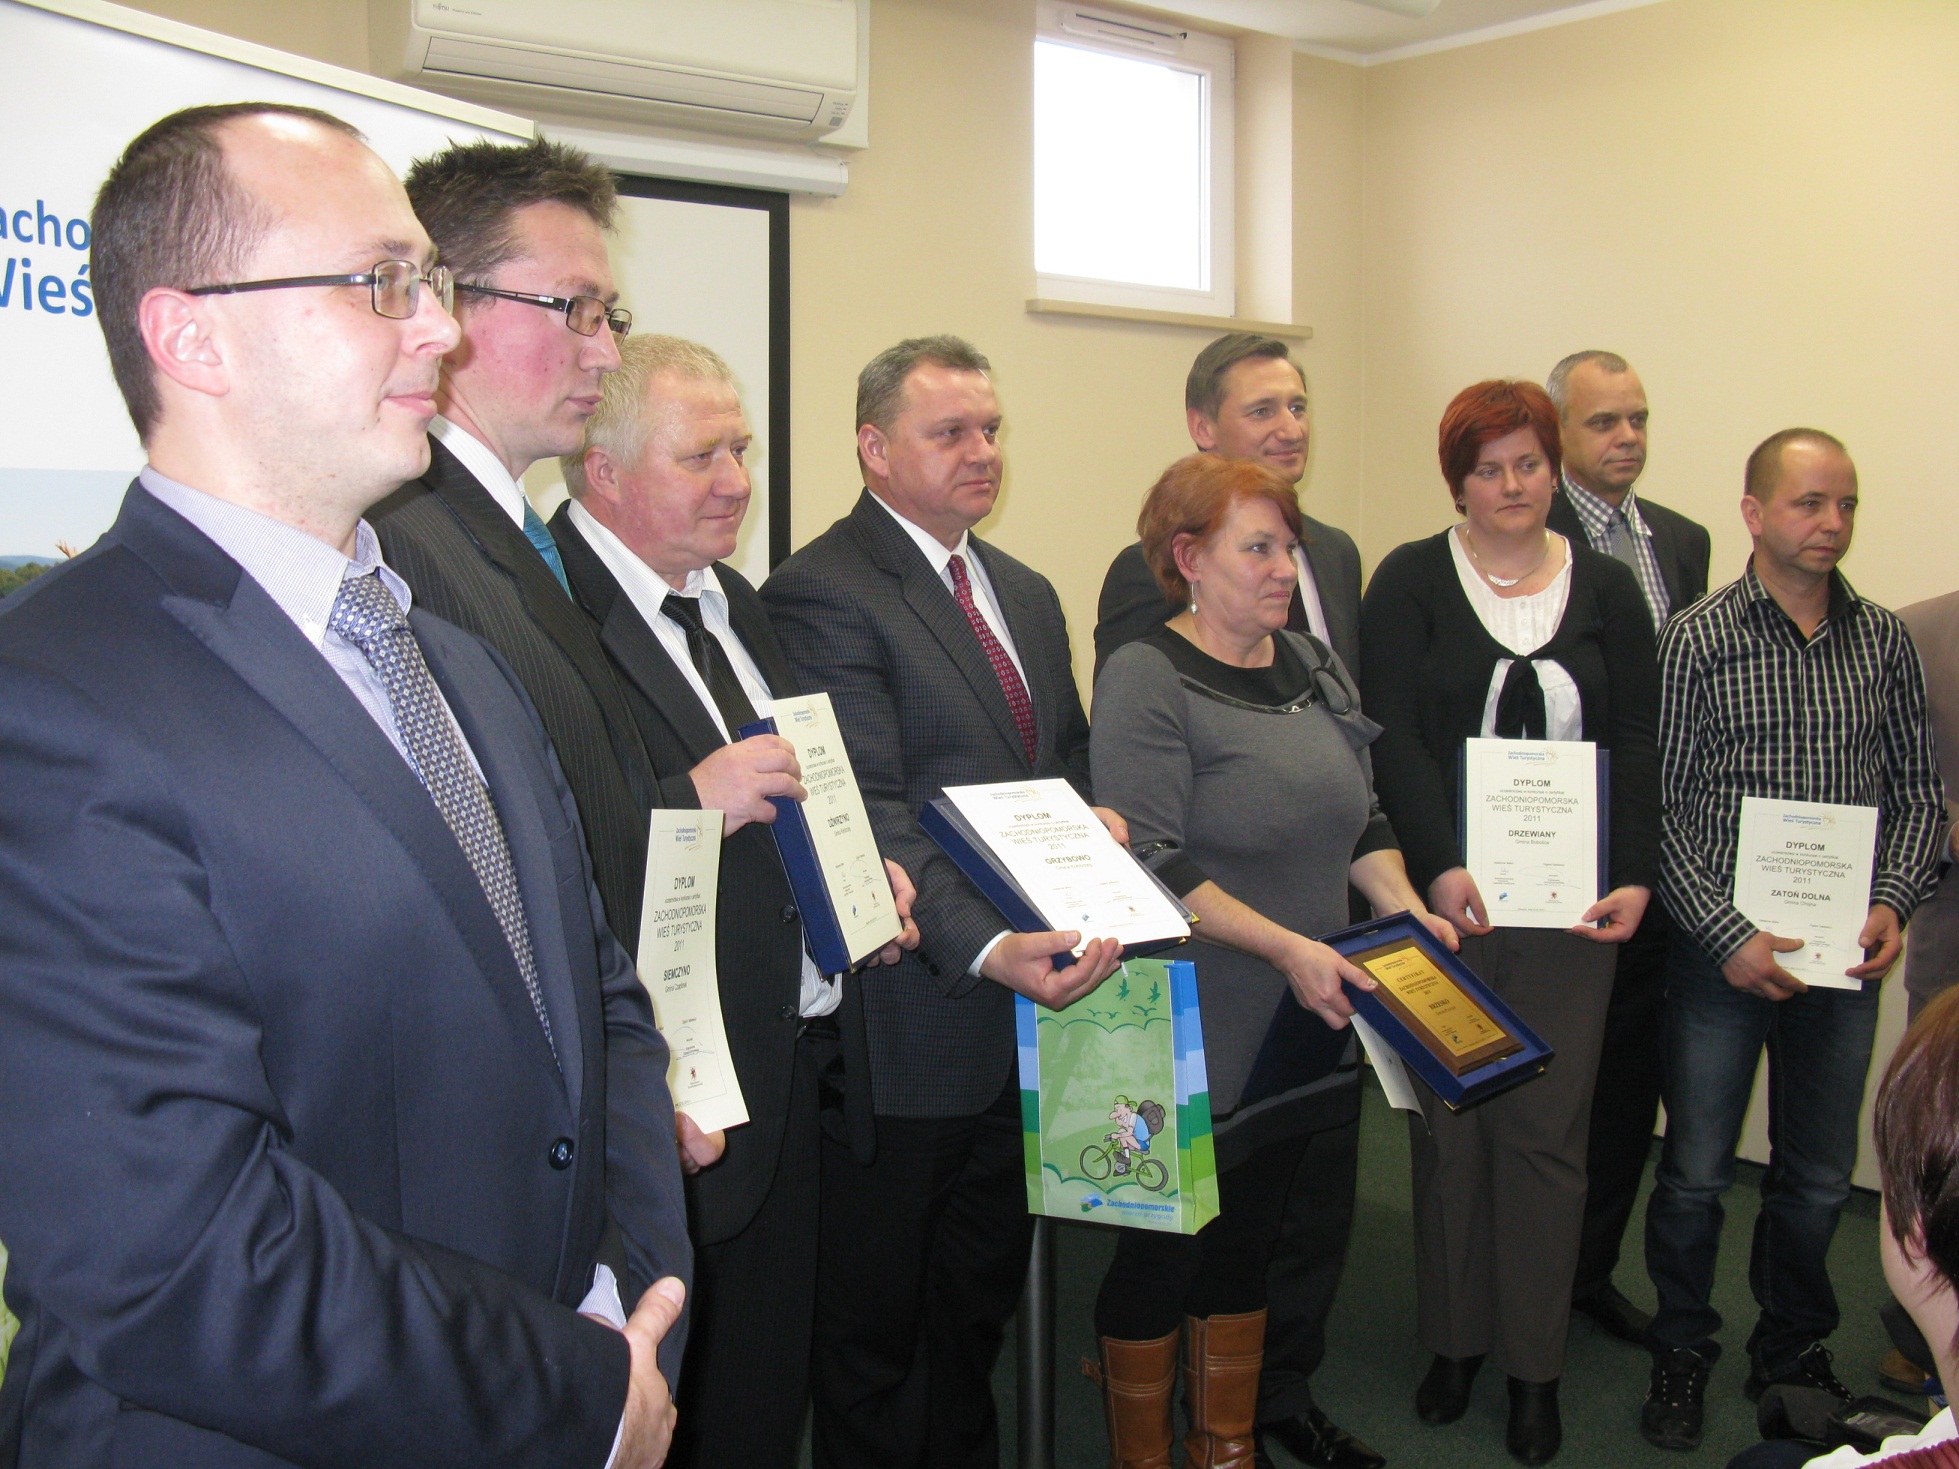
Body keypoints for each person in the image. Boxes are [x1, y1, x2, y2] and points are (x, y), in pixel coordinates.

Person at [0, 103, 690, 1468]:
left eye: (429, 281)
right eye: (383, 282)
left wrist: (632, 1309)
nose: (437, 328)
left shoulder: (454, 661)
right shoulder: (52, 698)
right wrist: (571, 1391)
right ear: (192, 337)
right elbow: (179, 1253)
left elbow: (599, 1007)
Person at [551, 334, 919, 1468]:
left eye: (742, 450)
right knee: (679, 1416)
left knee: (765, 1398)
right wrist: (685, 802)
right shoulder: (549, 615)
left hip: (794, 1064)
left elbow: (799, 789)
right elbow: (543, 850)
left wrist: (861, 880)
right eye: (700, 455)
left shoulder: (735, 603)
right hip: (671, 1096)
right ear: (604, 472)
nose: (736, 482)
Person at [761, 335, 1126, 1469]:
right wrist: (988, 945)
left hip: (1029, 1018)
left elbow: (1061, 761)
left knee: (973, 1308)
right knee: (878, 1328)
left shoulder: (1024, 589)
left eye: (991, 429)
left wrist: (1097, 832)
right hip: (913, 1019)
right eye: (951, 431)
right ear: (875, 449)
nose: (983, 452)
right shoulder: (823, 590)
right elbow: (869, 809)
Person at [1089, 452, 1457, 1469]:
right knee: (1162, 1255)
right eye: (1257, 548)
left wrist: (1404, 906)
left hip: (1302, 1013)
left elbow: (1363, 816)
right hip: (1187, 1023)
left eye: (1287, 546)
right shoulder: (1145, 674)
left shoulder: (1313, 664)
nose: (1283, 568)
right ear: (1187, 558)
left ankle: (1224, 1444)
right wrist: (1290, 946)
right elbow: (1152, 860)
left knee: (1251, 1243)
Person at [1360, 379, 1662, 1465]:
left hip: (1573, 915)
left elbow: (1640, 737)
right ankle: (1455, 1342)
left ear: (1552, 468)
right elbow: (1391, 736)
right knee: (1451, 1132)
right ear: (1458, 481)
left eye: (1528, 462)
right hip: (1447, 912)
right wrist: (1437, 865)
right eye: (1488, 468)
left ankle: (1535, 1366)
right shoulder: (1408, 579)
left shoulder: (1609, 588)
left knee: (1545, 1138)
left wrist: (1634, 875)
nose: (1512, 485)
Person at [1640, 428, 1946, 1453]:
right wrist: (1727, 933)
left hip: (1841, 959)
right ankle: (1681, 1344)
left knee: (1815, 1175)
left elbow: (1916, 795)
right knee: (1694, 1170)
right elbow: (1664, 811)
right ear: (1754, 511)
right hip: (1718, 958)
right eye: (1810, 502)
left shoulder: (1883, 639)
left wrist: (1893, 898)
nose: (1832, 522)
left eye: (1845, 503)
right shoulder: (1696, 638)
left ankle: (1790, 1345)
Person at [370, 138, 661, 953]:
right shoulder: (397, 547)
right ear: (448, 304)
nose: (606, 353)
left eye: (609, 317)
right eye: (577, 310)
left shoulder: (518, 533)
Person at [1543, 350, 1713, 1348]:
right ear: (1559, 430)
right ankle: (1523, 1272)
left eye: (1637, 418)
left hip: (1651, 855)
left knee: (1623, 1091)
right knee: (1551, 1088)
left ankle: (1587, 1273)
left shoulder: (1682, 541)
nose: (1627, 438)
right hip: (1555, 853)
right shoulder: (1531, 538)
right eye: (1604, 420)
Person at [1094, 333, 1361, 677]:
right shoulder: (1152, 570)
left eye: (1297, 408)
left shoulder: (1336, 553)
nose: (1292, 431)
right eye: (1262, 411)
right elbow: (1130, 700)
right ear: (1203, 428)